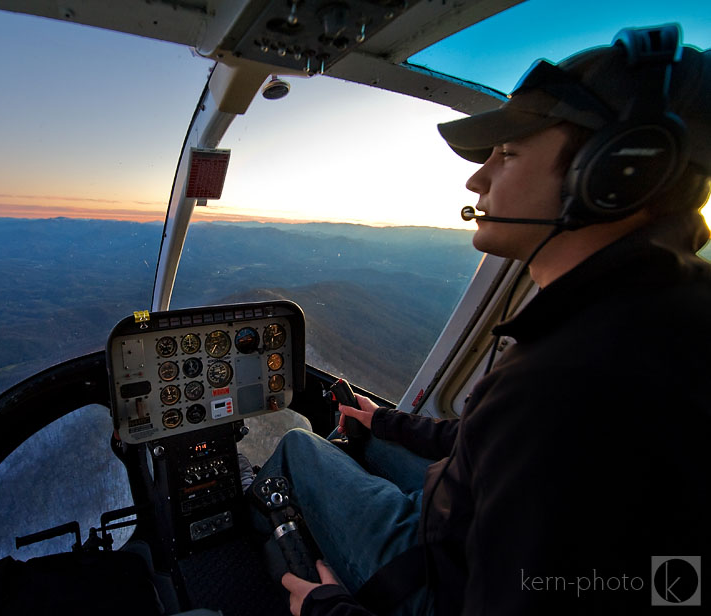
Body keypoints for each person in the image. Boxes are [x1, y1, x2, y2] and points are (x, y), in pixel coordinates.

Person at [252, 25, 711, 616]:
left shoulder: (568, 381)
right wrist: (390, 423)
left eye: (509, 152)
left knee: (297, 446)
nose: (477, 177)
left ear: (617, 174)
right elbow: (491, 442)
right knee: (367, 440)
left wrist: (326, 609)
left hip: (441, 578)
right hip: (465, 520)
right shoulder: (647, 309)